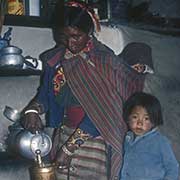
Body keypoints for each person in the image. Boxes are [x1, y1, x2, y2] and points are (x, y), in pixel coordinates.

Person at [21, 1, 152, 180]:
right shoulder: (56, 60)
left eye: (76, 36)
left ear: (89, 32)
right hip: (63, 133)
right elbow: (45, 94)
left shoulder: (103, 61)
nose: (70, 43)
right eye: (63, 36)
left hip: (96, 139)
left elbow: (104, 110)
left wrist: (69, 149)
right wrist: (33, 110)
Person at [119, 92, 179, 180]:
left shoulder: (160, 141)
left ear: (154, 121)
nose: (140, 123)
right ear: (128, 118)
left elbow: (172, 167)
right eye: (135, 117)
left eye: (146, 119)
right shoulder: (127, 138)